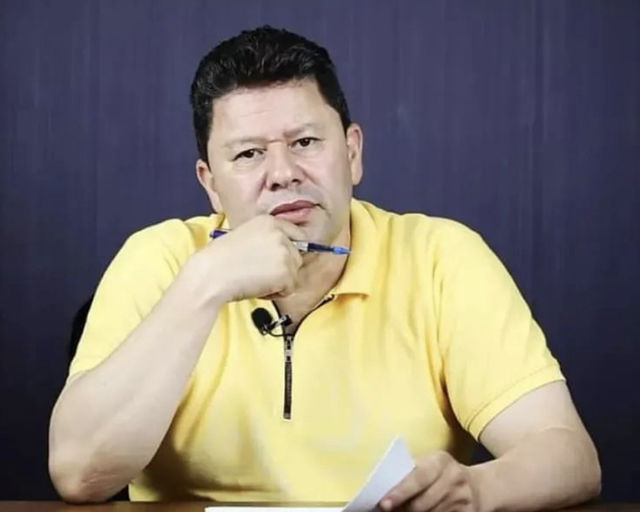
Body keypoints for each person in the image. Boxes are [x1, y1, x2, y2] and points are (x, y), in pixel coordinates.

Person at [48, 26, 601, 511]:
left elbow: (569, 456)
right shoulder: (159, 258)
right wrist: (205, 284)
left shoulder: (440, 257)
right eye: (248, 155)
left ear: (352, 153)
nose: (283, 173)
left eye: (306, 142)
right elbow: (78, 474)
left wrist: (477, 490)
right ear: (210, 183)